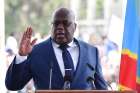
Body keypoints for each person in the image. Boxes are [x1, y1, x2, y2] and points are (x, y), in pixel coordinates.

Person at [5, 7, 108, 90]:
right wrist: (21, 56)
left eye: (65, 23)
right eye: (56, 23)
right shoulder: (36, 52)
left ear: (75, 27)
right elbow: (13, 85)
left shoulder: (91, 52)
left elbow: (102, 88)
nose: (60, 27)